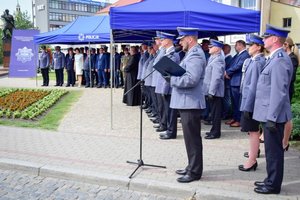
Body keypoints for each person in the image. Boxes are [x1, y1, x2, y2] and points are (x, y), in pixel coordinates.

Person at [253, 24, 293, 194]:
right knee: (271, 151)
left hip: (273, 115)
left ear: (275, 39)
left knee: (274, 152)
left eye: (266, 36)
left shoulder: (280, 60)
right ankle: (270, 179)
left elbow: (279, 92)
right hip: (270, 113)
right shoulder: (275, 58)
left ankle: (273, 185)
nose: (263, 39)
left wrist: (272, 117)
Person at [168, 27, 206, 183]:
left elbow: (191, 79)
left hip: (190, 103)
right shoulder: (190, 54)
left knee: (193, 139)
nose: (180, 42)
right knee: (190, 139)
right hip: (186, 102)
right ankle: (191, 166)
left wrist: (171, 79)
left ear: (190, 39)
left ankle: (195, 172)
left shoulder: (195, 55)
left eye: (182, 39)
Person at [238, 34, 265, 172]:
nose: (248, 47)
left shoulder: (257, 62)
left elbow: (253, 87)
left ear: (258, 47)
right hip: (249, 101)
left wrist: (247, 107)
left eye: (251, 45)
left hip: (251, 103)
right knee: (252, 131)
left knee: (253, 131)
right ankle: (254, 153)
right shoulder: (253, 61)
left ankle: (252, 160)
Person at [154, 32, 180, 140]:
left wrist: (164, 89)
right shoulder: (167, 52)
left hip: (169, 87)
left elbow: (168, 73)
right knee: (167, 110)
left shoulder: (173, 54)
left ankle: (171, 131)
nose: (161, 41)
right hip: (165, 86)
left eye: (163, 39)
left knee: (170, 111)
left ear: (168, 40)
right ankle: (169, 129)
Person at [203, 39, 225, 139]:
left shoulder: (219, 59)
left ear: (218, 49)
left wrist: (211, 92)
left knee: (216, 113)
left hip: (215, 92)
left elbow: (216, 77)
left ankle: (216, 132)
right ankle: (213, 130)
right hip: (211, 90)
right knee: (213, 112)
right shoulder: (213, 57)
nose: (209, 48)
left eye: (211, 47)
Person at [225, 40, 250, 127]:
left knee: (237, 102)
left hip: (238, 81)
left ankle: (239, 120)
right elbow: (232, 64)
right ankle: (235, 118)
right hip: (233, 80)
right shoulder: (238, 55)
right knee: (234, 102)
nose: (235, 47)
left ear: (240, 45)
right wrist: (228, 72)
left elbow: (238, 66)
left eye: (236, 45)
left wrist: (227, 72)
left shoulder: (245, 55)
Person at [282, 37, 299, 151]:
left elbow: (290, 77)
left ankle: (285, 141)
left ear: (286, 45)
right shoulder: (286, 57)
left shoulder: (292, 58)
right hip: (283, 90)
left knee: (287, 116)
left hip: (287, 90)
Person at [222, 44, 233, 120]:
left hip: (227, 82)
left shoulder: (229, 59)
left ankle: (227, 114)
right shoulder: (226, 58)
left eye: (223, 49)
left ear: (227, 50)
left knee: (227, 100)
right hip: (225, 82)